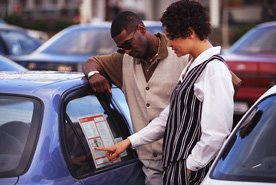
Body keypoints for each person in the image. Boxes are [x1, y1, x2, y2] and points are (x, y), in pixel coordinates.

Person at [95, 1, 234, 185]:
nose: (168, 43)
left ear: (190, 33)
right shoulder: (192, 67)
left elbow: (217, 133)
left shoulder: (214, 70)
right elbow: (168, 117)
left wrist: (189, 166)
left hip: (192, 175)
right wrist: (128, 142)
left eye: (171, 37)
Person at [83, 11, 188, 185]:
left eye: (128, 44)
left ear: (141, 29)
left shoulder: (180, 53)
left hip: (184, 160)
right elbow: (92, 62)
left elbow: (227, 83)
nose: (127, 51)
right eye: (122, 48)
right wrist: (93, 74)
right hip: (150, 165)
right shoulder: (123, 60)